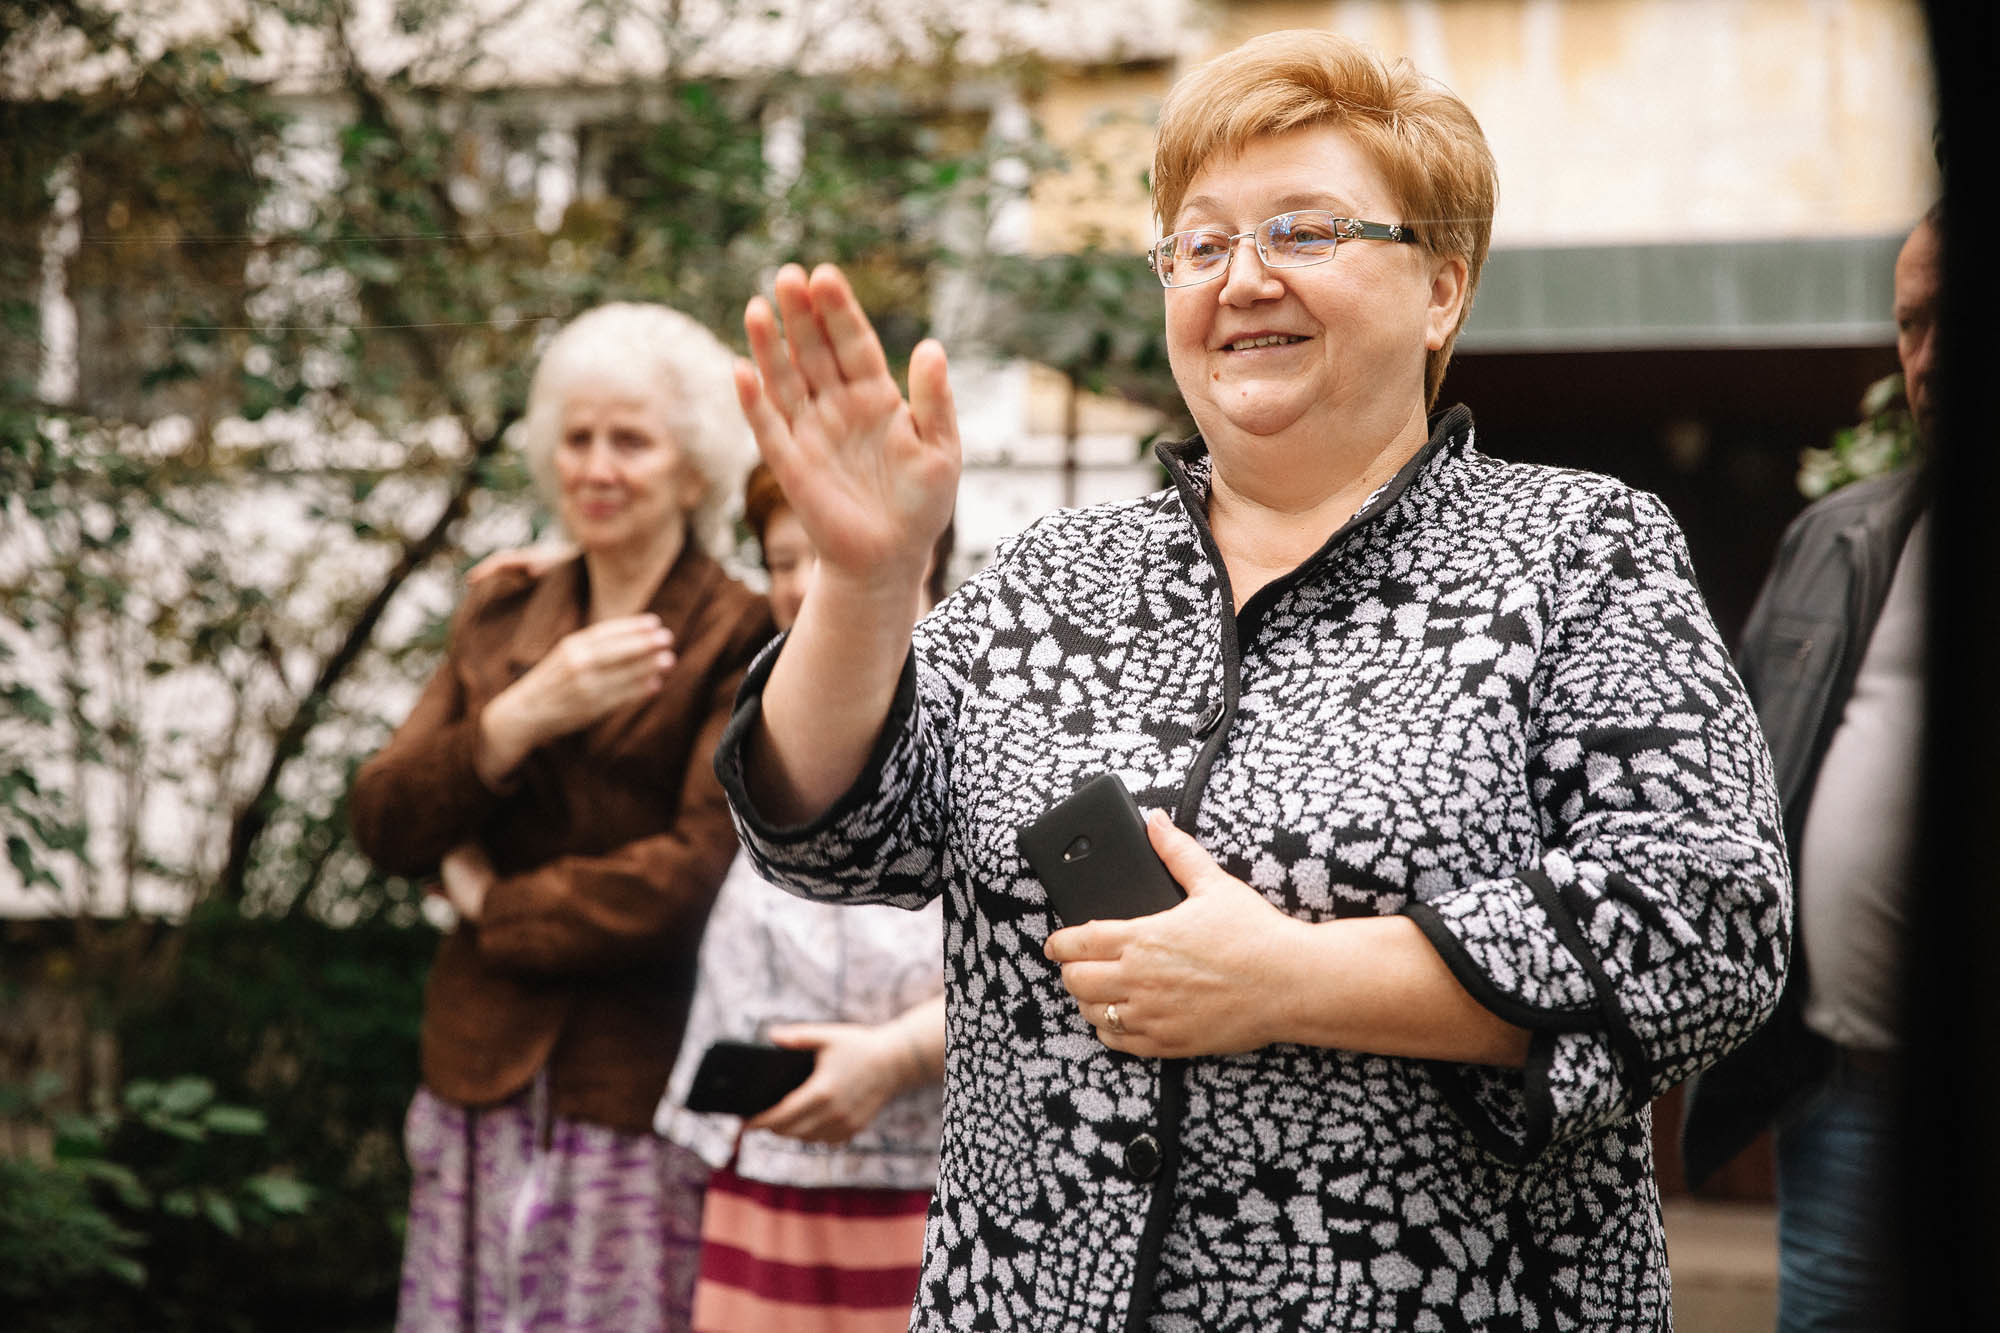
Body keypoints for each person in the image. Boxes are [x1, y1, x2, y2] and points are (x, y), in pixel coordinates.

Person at [709, 29, 1789, 1332]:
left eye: (1306, 231)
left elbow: (1708, 918)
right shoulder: (1053, 575)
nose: (1243, 278)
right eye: (1202, 242)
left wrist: (1290, 977)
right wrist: (866, 581)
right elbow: (830, 835)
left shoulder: (1579, 554)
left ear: (1443, 288)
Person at [349, 302, 774, 1333]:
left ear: (692, 468)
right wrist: (517, 718)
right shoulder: (505, 612)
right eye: (576, 438)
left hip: (632, 1079)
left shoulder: (738, 630)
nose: (596, 465)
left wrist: (492, 906)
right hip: (475, 1069)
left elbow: (691, 876)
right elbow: (385, 822)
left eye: (630, 439)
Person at [1681, 209, 1938, 1331]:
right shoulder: (1838, 536)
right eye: (1910, 327)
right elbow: (1742, 774)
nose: (1925, 362)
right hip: (1839, 1091)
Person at [654, 461, 952, 1333]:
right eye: (785, 560)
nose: (804, 584)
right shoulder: (762, 695)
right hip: (763, 1182)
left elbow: (1047, 953)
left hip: (923, 1188)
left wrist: (896, 1053)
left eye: (827, 555)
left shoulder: (987, 702)